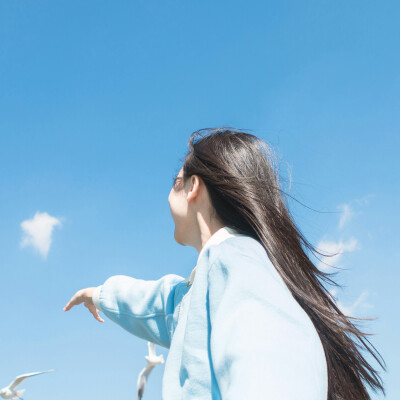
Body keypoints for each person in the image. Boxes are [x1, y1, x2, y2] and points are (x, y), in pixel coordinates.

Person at [63, 127, 385, 399]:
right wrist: (99, 294)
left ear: (193, 188)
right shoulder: (209, 281)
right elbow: (160, 305)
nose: (167, 196)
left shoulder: (237, 262)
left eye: (175, 182)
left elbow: (270, 365)